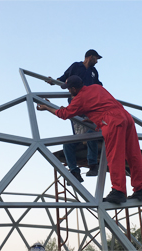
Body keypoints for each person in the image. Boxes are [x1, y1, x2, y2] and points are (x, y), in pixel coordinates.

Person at [37, 75, 142, 204]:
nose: (68, 91)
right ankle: (141, 189)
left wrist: (47, 107)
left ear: (73, 88)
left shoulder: (79, 99)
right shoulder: (96, 87)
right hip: (126, 118)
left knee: (115, 156)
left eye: (69, 89)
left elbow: (64, 114)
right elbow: (104, 104)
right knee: (134, 154)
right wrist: (94, 117)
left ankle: (118, 191)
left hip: (113, 121)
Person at [47, 49, 103, 183]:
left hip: (90, 106)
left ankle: (93, 164)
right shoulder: (76, 66)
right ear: (90, 57)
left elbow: (99, 86)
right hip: (77, 105)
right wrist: (54, 81)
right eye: (96, 58)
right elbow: (64, 77)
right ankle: (75, 172)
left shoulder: (94, 72)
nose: (97, 61)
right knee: (76, 135)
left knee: (91, 131)